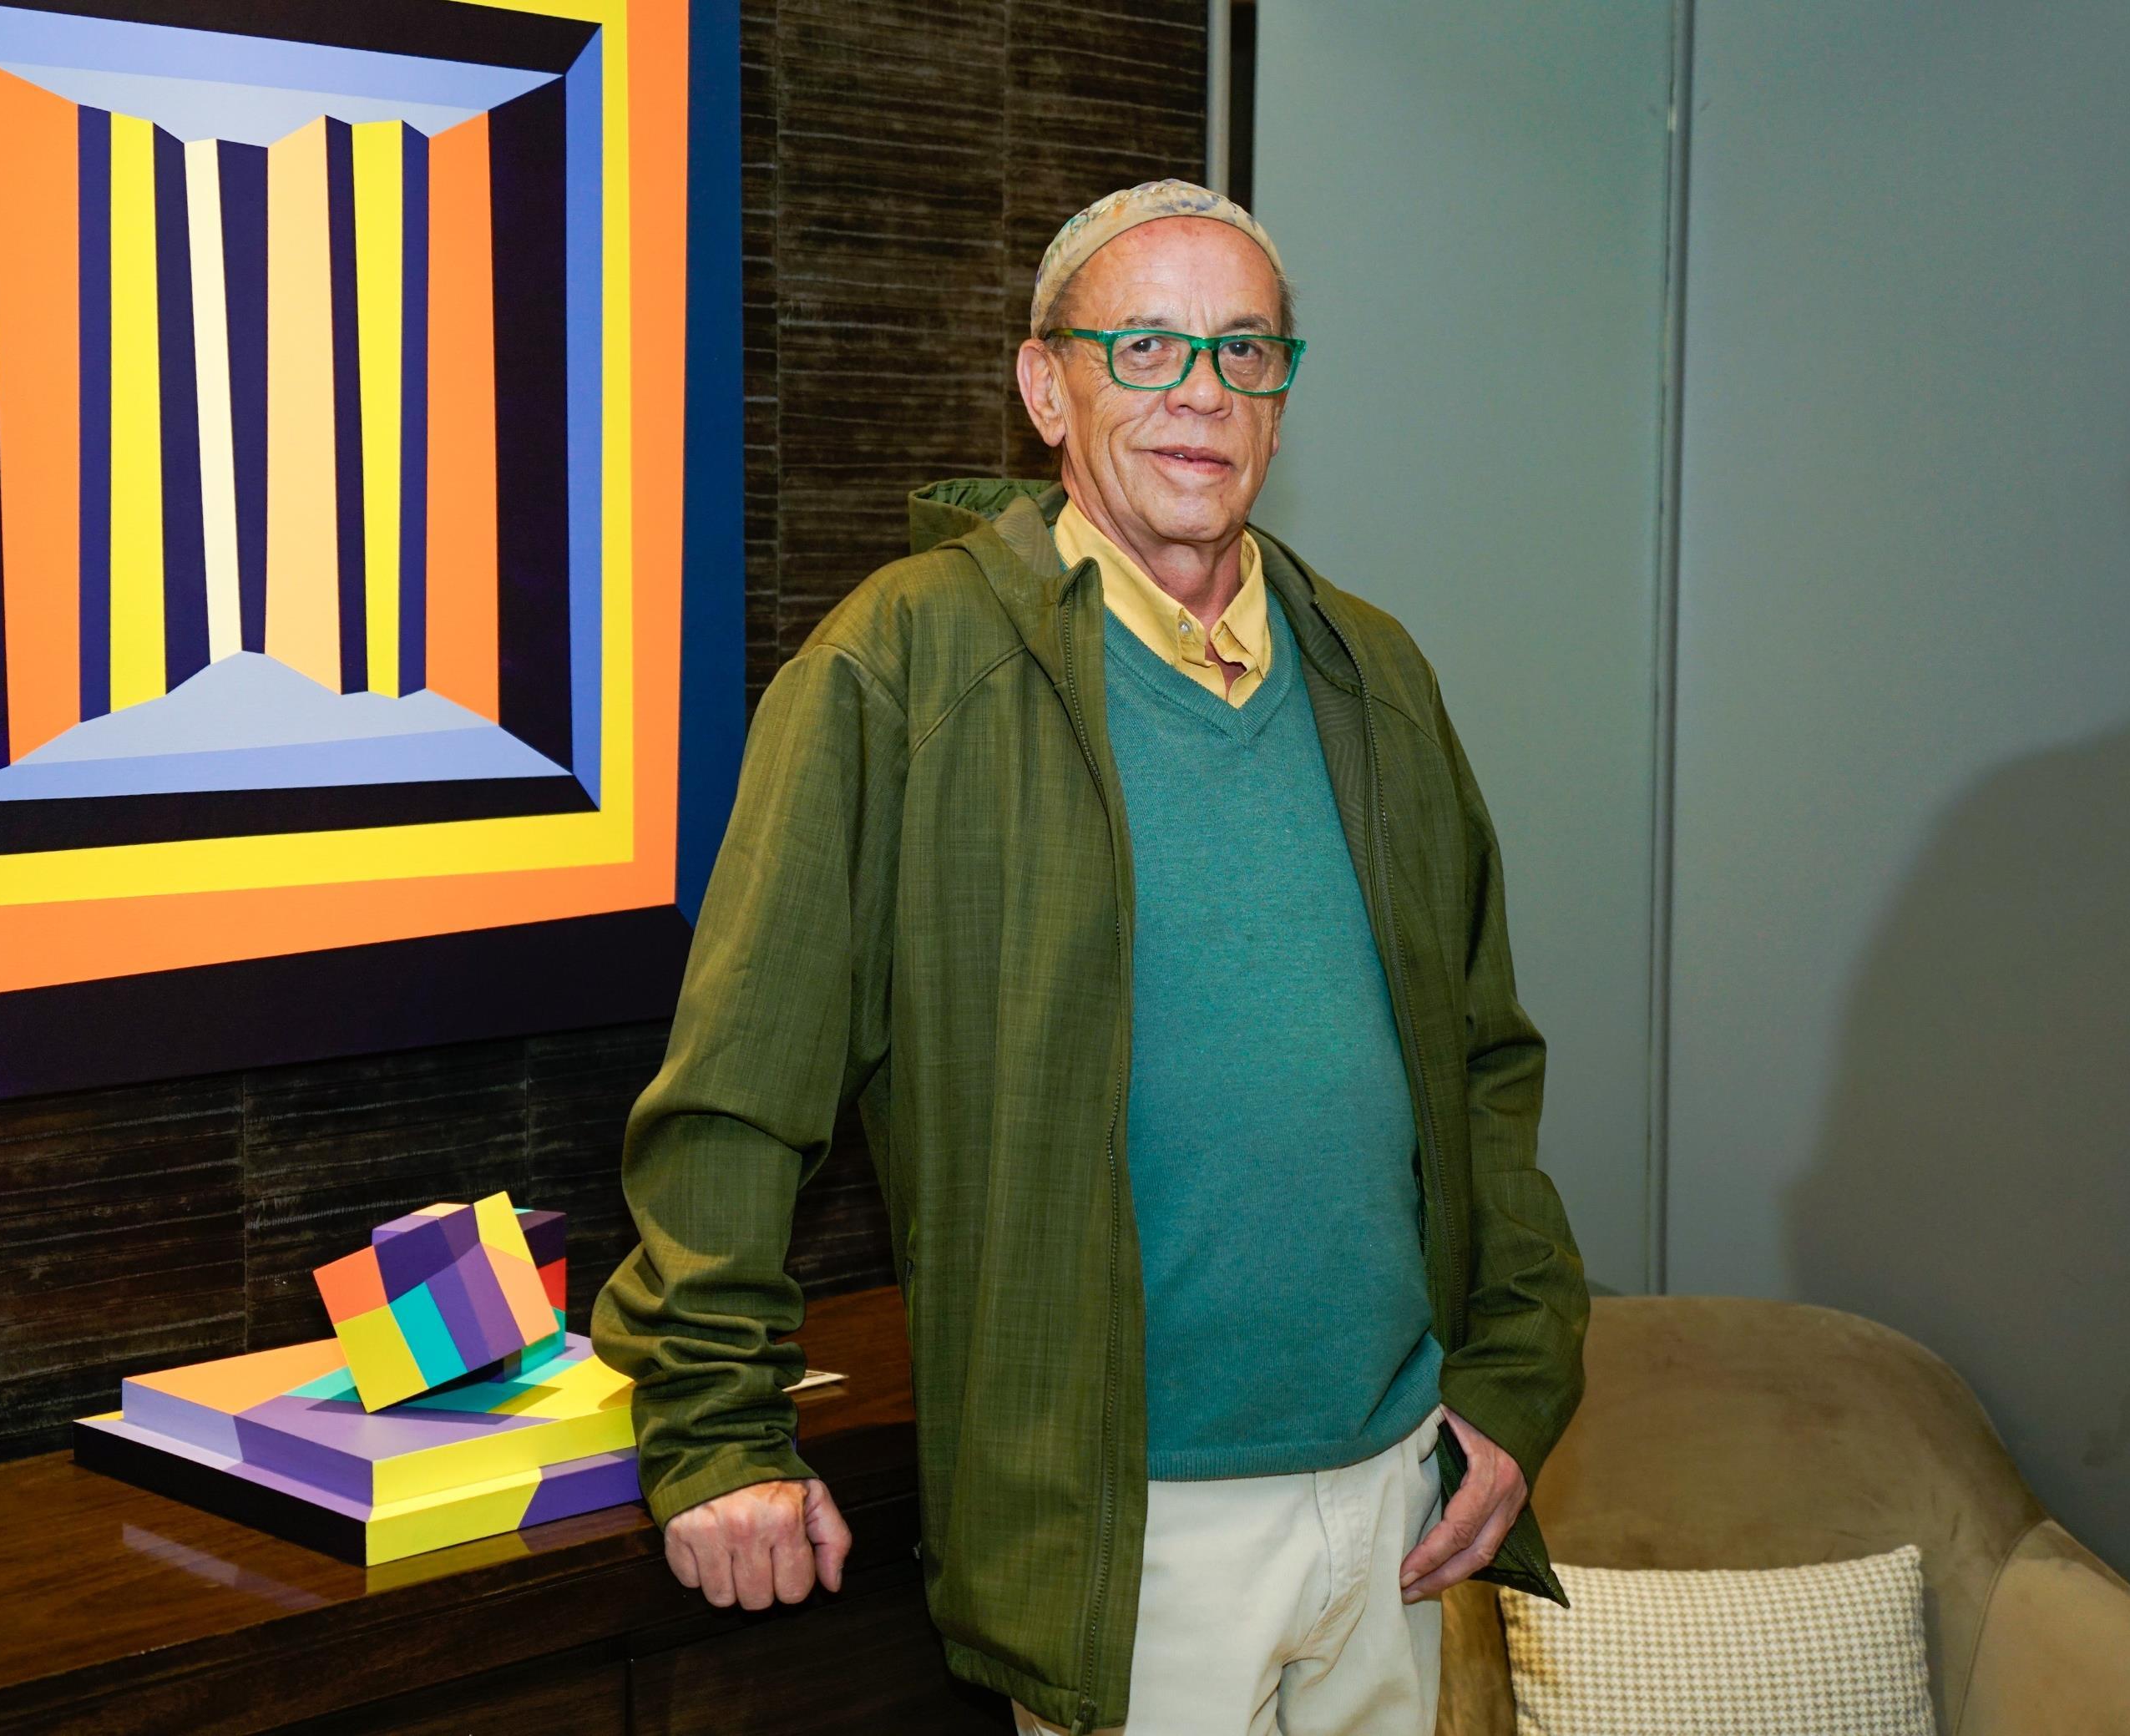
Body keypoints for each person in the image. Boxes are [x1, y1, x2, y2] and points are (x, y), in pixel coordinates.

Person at [592, 179, 1588, 1736]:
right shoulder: (900, 668)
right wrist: (717, 1433)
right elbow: (735, 1095)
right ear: (1044, 388)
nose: (1203, 392)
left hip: (1401, 1500)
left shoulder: (1374, 675)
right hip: (1127, 1531)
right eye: (1146, 347)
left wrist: (1512, 1391)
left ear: (1282, 399)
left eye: (1246, 350)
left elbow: (1485, 1069)